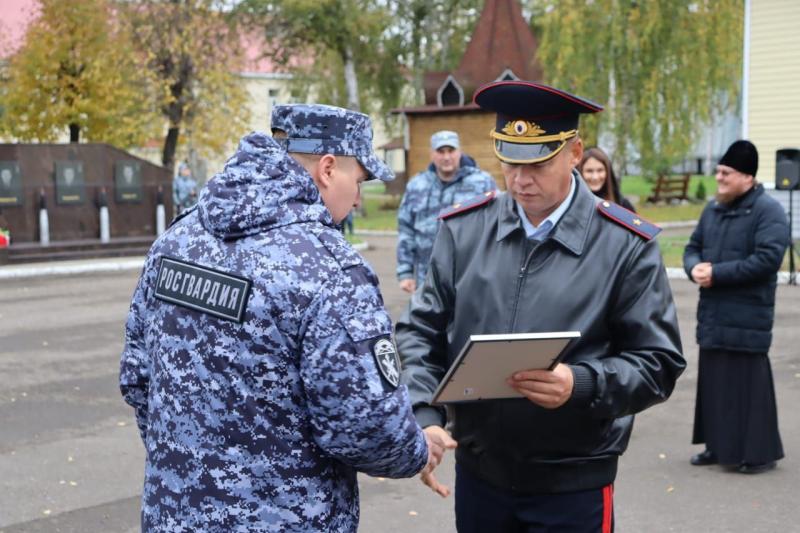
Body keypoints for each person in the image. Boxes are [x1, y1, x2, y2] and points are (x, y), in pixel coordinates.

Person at [120, 104, 447, 532]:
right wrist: (419, 448)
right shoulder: (330, 270)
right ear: (328, 169)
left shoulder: (177, 240)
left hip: (173, 516)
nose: (359, 196)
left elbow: (137, 376)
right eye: (360, 180)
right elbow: (364, 424)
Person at [396, 80, 686, 532]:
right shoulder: (464, 231)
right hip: (481, 477)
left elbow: (658, 362)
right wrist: (425, 416)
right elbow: (420, 332)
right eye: (509, 162)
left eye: (538, 163)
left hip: (573, 484)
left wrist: (582, 383)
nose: (520, 180)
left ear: (574, 152)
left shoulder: (625, 244)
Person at [684, 139, 789, 474]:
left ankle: (757, 454)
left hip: (748, 316)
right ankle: (717, 446)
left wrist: (717, 273)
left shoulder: (768, 211)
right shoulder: (713, 209)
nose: (719, 178)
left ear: (748, 177)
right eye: (717, 171)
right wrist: (693, 267)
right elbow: (692, 247)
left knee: (748, 389)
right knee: (714, 385)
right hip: (714, 314)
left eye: (726, 173)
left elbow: (767, 260)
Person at [396, 130, 496, 293]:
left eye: (451, 151)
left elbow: (496, 227)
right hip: (426, 279)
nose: (446, 157)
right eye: (440, 151)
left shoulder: (482, 183)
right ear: (432, 154)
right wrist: (405, 272)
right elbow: (406, 229)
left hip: (470, 278)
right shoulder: (417, 185)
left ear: (459, 152)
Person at [578, 146, 636, 211]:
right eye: (589, 171)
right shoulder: (572, 205)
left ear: (608, 172)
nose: (595, 177)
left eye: (600, 170)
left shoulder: (623, 205)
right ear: (580, 172)